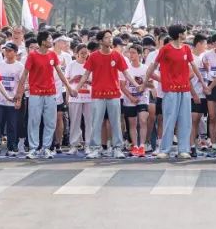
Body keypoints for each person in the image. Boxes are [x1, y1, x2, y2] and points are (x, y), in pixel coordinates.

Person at [144, 25, 208, 159]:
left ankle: (183, 149)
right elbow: (153, 66)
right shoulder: (165, 49)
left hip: (184, 89)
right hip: (170, 90)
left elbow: (194, 67)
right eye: (184, 32)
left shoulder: (186, 49)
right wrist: (144, 83)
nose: (186, 34)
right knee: (169, 119)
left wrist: (203, 83)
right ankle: (165, 150)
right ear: (179, 34)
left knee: (185, 120)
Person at [15, 32, 75, 159]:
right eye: (49, 39)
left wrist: (69, 87)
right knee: (34, 121)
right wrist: (19, 94)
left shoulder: (52, 55)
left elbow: (60, 72)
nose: (51, 41)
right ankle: (33, 148)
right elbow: (24, 75)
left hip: (51, 93)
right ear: (43, 42)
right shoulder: (32, 56)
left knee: (50, 122)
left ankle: (46, 148)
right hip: (35, 93)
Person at [78, 30, 133, 159]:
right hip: (98, 94)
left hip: (114, 94)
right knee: (96, 122)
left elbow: (126, 73)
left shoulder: (117, 55)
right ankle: (95, 148)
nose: (110, 39)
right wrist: (76, 89)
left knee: (116, 123)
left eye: (111, 37)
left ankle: (117, 148)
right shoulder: (93, 56)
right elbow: (86, 74)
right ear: (100, 41)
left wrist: (136, 84)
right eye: (107, 37)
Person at [0, 42, 24, 157]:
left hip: (12, 101)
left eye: (10, 51)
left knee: (12, 125)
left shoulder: (20, 66)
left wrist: (19, 100)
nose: (7, 53)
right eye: (5, 50)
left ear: (15, 53)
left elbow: (22, 84)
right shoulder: (0, 64)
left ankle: (12, 146)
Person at [121, 45, 151, 157]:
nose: (131, 55)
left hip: (143, 98)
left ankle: (142, 145)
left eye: (133, 52)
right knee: (132, 123)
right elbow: (122, 86)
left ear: (139, 54)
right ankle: (135, 146)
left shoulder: (145, 68)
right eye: (130, 52)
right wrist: (131, 97)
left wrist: (143, 87)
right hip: (130, 100)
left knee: (143, 120)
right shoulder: (126, 69)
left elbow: (151, 84)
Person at [65, 45, 93, 154]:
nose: (84, 55)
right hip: (75, 96)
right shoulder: (71, 65)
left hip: (89, 97)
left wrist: (87, 81)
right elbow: (66, 81)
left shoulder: (91, 64)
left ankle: (88, 144)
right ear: (76, 53)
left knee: (89, 122)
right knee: (74, 122)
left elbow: (95, 81)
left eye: (86, 53)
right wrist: (74, 79)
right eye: (82, 53)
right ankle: (74, 145)